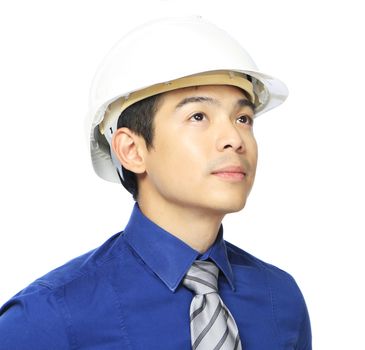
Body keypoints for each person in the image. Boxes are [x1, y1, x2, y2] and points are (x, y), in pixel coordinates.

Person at [0, 16, 312, 349]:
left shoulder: (280, 300)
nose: (234, 139)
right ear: (131, 150)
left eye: (243, 118)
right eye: (198, 116)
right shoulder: (47, 318)